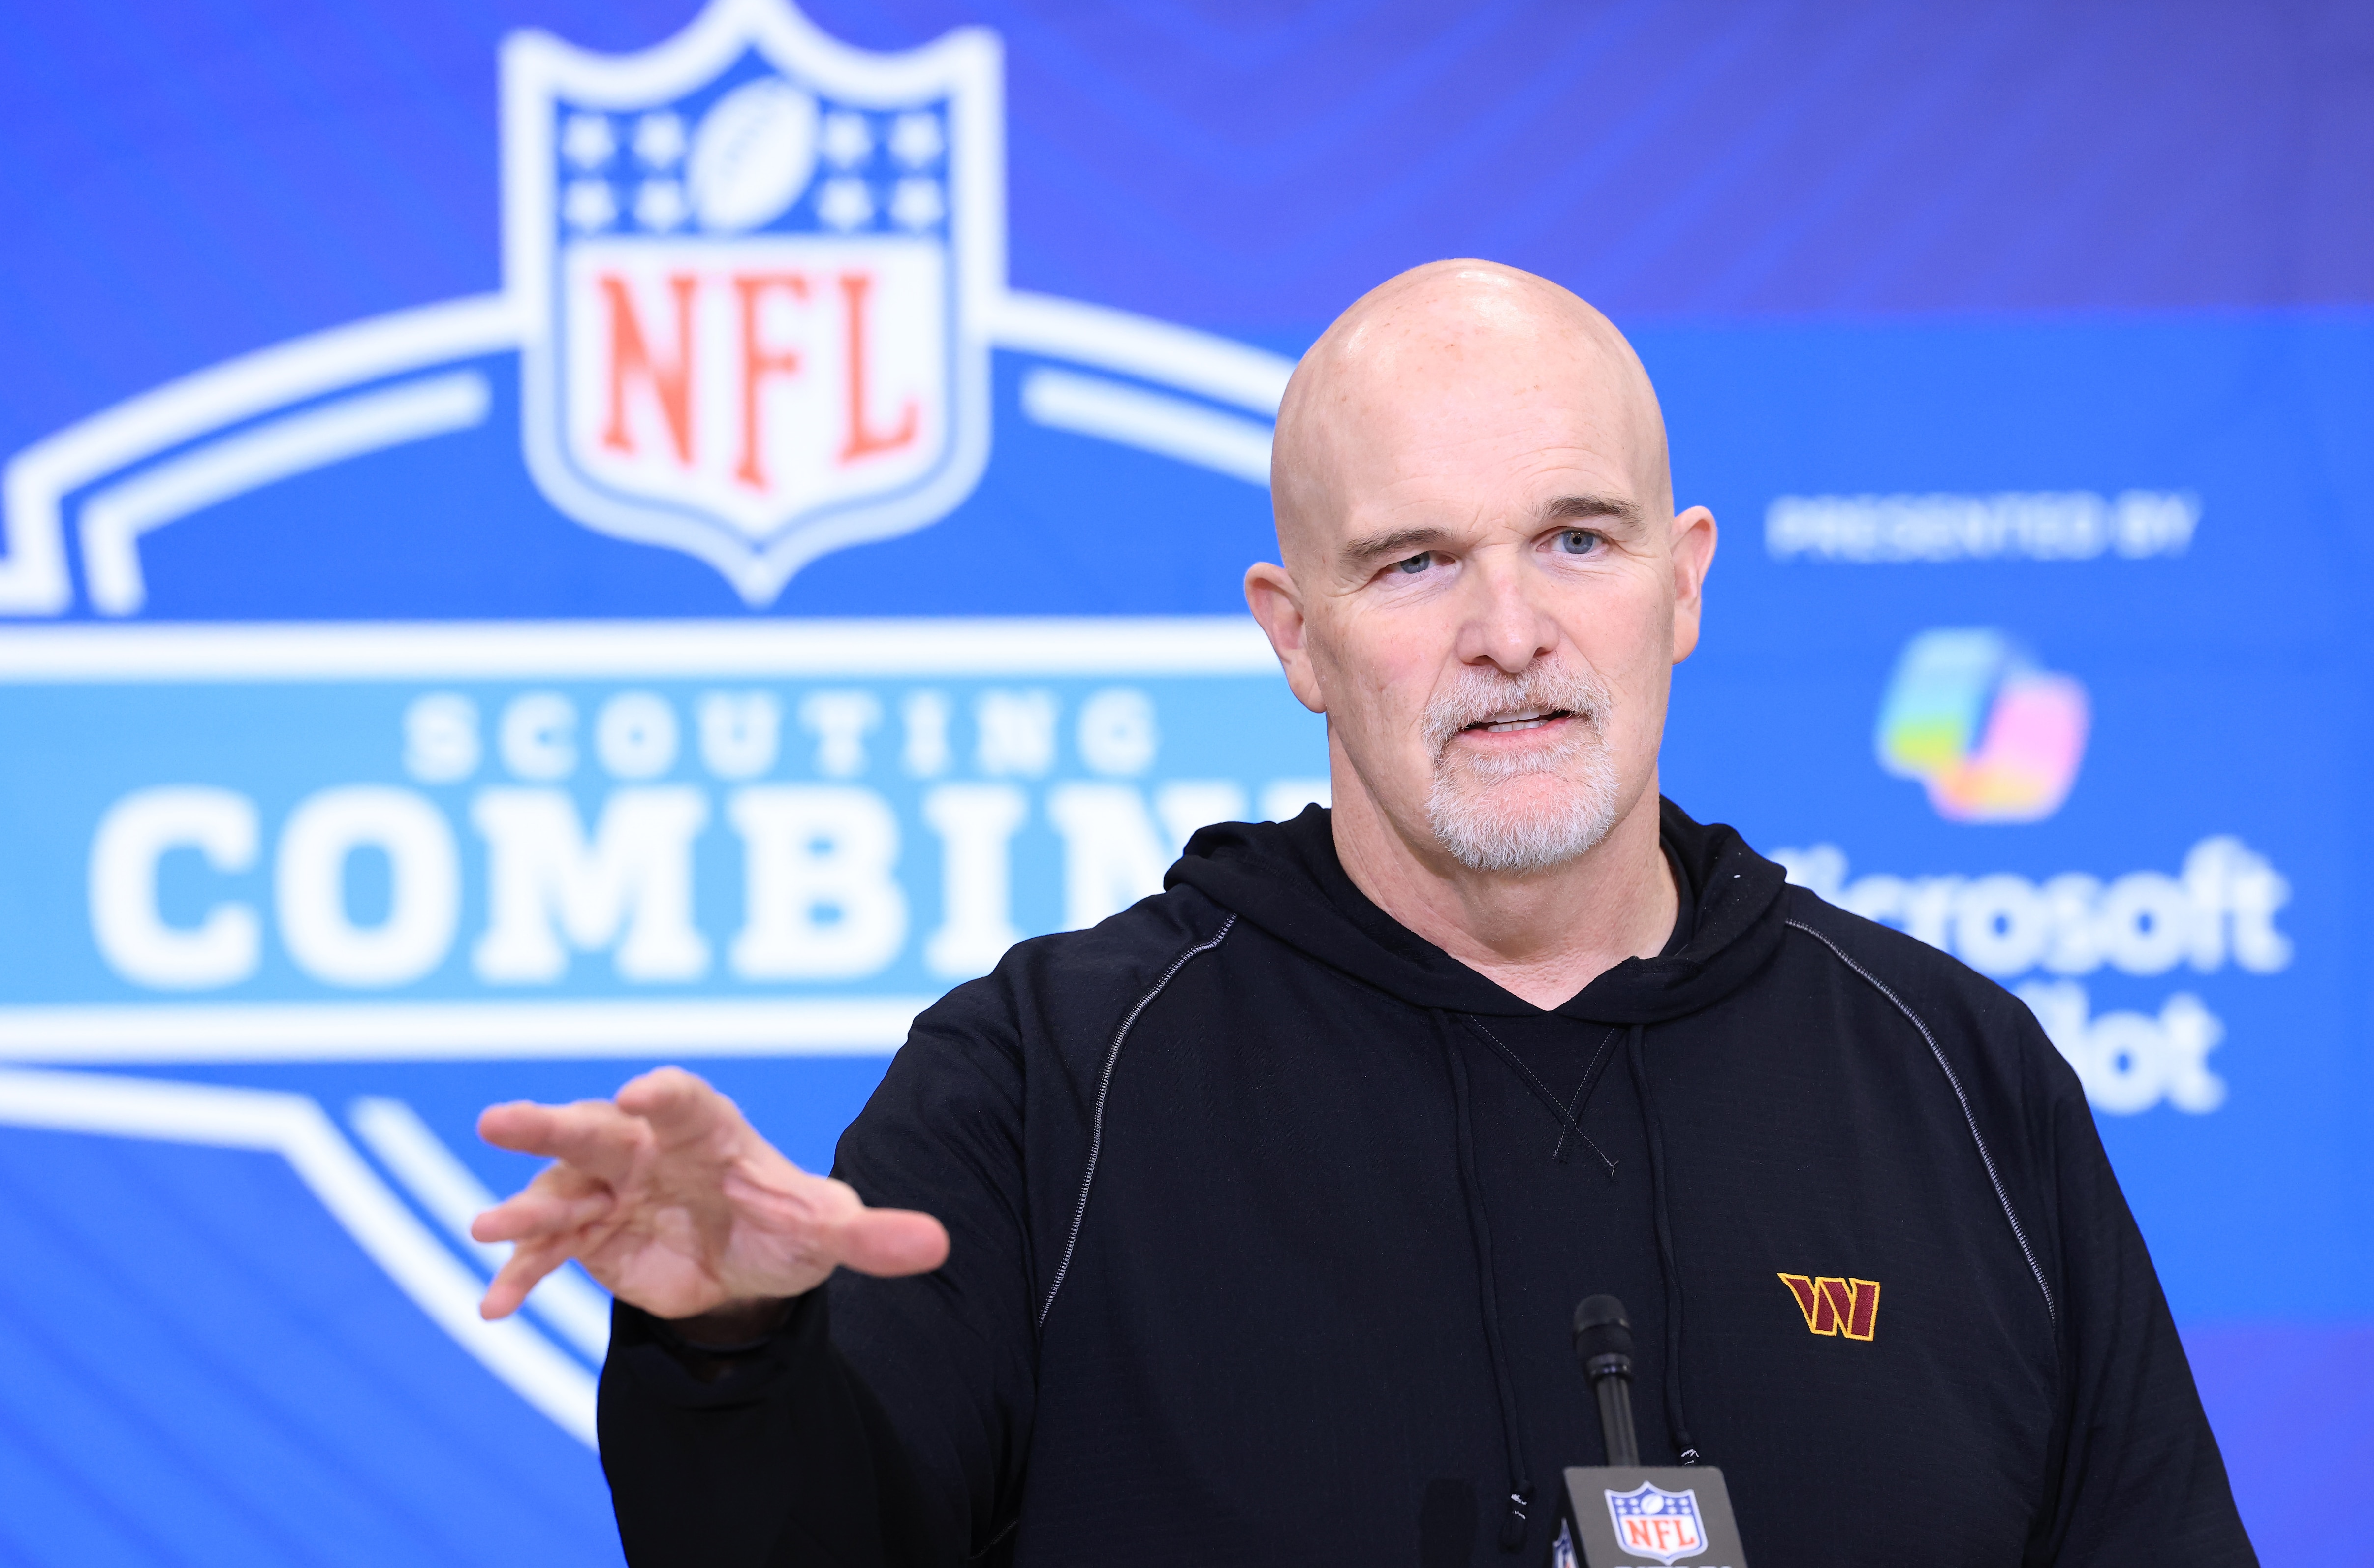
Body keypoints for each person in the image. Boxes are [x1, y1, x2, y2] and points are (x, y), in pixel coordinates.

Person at [472, 261, 2253, 1567]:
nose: (1510, 628)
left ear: (1685, 581)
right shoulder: (1046, 1080)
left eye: (1577, 537)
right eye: (1415, 563)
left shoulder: (1956, 1070)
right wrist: (728, 1355)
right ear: (1294, 635)